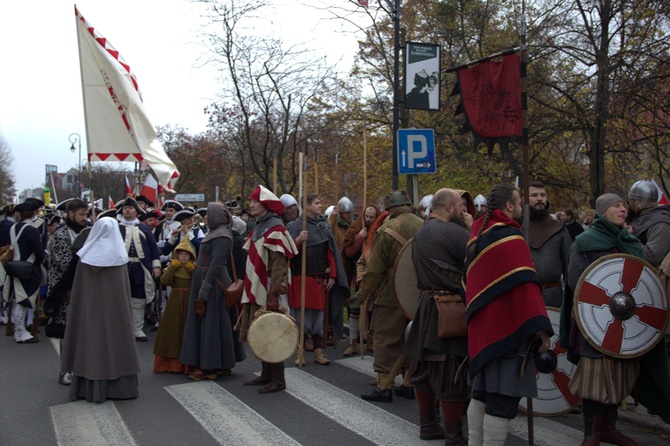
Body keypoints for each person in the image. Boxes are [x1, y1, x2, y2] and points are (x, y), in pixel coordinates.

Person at [561, 193, 670, 445]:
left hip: (627, 323)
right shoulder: (584, 242)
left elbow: (643, 279)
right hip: (596, 322)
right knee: (595, 377)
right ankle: (591, 433)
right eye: (616, 206)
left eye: (623, 204)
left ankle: (608, 427)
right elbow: (579, 285)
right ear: (602, 211)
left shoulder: (631, 242)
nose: (622, 209)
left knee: (618, 376)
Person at [463, 184, 552, 445]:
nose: (523, 207)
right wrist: (540, 327)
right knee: (501, 401)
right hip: (508, 334)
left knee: (481, 395)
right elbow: (526, 287)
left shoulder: (477, 236)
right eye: (520, 202)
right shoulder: (511, 239)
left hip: (482, 333)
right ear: (510, 206)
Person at [404, 188, 470, 444]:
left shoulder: (422, 230)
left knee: (423, 368)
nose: (464, 211)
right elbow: (477, 257)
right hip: (448, 309)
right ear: (449, 208)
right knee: (450, 370)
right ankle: (453, 435)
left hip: (426, 305)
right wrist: (470, 227)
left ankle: (428, 426)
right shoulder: (451, 231)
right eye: (461, 207)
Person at [63, 218, 140, 403]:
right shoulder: (119, 257)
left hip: (89, 313)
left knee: (91, 343)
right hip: (115, 314)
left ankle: (88, 386)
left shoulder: (85, 256)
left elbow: (80, 291)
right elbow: (123, 292)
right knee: (116, 342)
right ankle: (119, 388)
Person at [358, 190, 423, 403]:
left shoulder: (387, 229)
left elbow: (374, 269)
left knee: (385, 338)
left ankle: (383, 385)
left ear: (390, 209)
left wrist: (361, 294)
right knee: (412, 338)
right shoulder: (423, 225)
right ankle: (408, 384)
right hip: (418, 294)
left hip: (390, 293)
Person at [240, 185, 298, 393]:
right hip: (256, 287)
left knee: (272, 331)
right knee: (260, 330)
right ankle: (266, 374)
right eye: (251, 201)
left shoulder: (276, 230)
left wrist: (273, 294)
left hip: (267, 289)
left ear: (265, 204)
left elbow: (279, 265)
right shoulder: (260, 227)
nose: (251, 204)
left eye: (255, 201)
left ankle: (278, 379)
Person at [179, 202, 246, 380]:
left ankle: (210, 366)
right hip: (207, 279)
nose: (205, 217)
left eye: (208, 214)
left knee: (212, 324)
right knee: (212, 324)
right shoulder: (216, 232)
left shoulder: (222, 235)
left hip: (213, 283)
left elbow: (216, 263)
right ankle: (219, 364)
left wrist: (205, 288)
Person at [287, 194, 349, 366]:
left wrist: (332, 276)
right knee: (302, 319)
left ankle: (317, 352)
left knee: (318, 320)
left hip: (319, 280)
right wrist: (298, 241)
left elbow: (330, 253)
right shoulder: (294, 226)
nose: (320, 205)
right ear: (307, 206)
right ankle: (299, 353)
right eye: (317, 203)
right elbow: (286, 253)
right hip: (301, 279)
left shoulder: (323, 227)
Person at [44, 198, 88, 385]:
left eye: (86, 214)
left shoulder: (85, 232)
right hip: (65, 289)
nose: (85, 218)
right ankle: (66, 370)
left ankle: (80, 367)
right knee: (66, 331)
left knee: (81, 330)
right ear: (71, 214)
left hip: (81, 286)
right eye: (81, 214)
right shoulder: (62, 235)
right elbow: (64, 263)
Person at [116, 197, 161, 342]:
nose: (127, 210)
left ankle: (137, 328)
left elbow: (153, 248)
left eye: (130, 208)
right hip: (121, 268)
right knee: (120, 299)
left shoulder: (144, 229)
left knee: (139, 299)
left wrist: (156, 266)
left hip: (140, 269)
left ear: (136, 211)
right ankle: (121, 328)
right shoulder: (116, 228)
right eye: (125, 208)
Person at [3, 198, 46, 343]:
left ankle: (19, 330)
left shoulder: (13, 227)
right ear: (33, 213)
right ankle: (21, 333)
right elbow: (38, 252)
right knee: (24, 302)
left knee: (17, 301)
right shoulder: (32, 230)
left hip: (16, 266)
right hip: (28, 269)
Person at [341, 203, 380, 356]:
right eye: (366, 216)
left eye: (372, 217)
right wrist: (360, 237)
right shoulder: (357, 228)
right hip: (357, 277)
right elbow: (349, 252)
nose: (369, 219)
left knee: (373, 311)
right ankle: (352, 343)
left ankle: (370, 340)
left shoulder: (381, 229)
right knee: (355, 310)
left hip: (374, 277)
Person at [525, 180, 572, 307]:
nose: (540, 199)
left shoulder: (558, 228)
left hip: (553, 297)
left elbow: (569, 268)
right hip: (525, 295)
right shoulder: (517, 228)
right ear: (524, 199)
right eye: (534, 195)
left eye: (543, 195)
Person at [153, 237, 196, 373]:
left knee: (188, 330)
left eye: (186, 254)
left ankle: (189, 362)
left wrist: (191, 270)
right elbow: (164, 281)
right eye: (181, 254)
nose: (183, 257)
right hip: (175, 301)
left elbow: (198, 283)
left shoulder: (193, 268)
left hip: (189, 300)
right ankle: (171, 363)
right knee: (173, 329)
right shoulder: (173, 266)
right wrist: (173, 267)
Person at [627, 180, 670, 268]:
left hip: (655, 278)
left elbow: (651, 257)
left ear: (636, 202)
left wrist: (628, 236)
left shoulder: (661, 224)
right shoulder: (639, 218)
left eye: (629, 200)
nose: (628, 204)